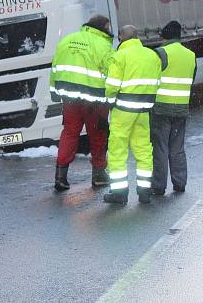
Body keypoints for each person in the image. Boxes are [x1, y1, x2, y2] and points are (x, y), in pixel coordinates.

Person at [49, 15, 115, 190]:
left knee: (70, 132)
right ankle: (99, 175)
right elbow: (112, 73)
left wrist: (53, 92)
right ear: (103, 27)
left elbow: (55, 68)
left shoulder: (67, 40)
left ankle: (60, 176)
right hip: (94, 99)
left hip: (70, 97)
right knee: (98, 134)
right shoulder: (104, 46)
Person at [103, 25, 162, 205]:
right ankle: (144, 191)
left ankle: (119, 193)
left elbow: (112, 85)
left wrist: (109, 100)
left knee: (117, 150)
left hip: (123, 110)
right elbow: (157, 82)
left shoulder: (120, 56)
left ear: (121, 38)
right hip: (143, 109)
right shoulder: (152, 55)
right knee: (143, 149)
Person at [150, 21, 196, 195]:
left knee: (161, 148)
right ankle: (180, 183)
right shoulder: (190, 55)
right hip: (181, 109)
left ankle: (159, 186)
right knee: (177, 148)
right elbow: (190, 81)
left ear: (165, 37)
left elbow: (151, 79)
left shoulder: (160, 53)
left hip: (161, 108)